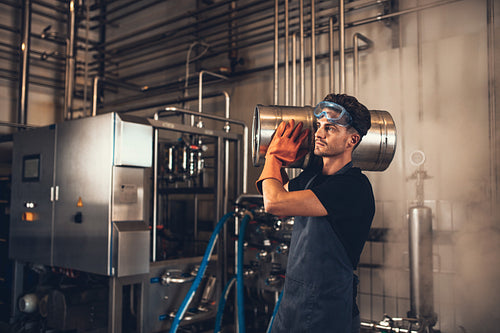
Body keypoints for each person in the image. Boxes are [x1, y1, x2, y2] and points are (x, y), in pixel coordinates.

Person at [256, 93, 375, 332]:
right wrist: (284, 162)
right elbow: (274, 195)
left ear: (352, 140)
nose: (319, 134)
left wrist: (274, 157)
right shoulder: (312, 178)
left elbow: (274, 203)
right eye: (319, 126)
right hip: (292, 302)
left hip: (325, 311)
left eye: (330, 128)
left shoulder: (354, 187)